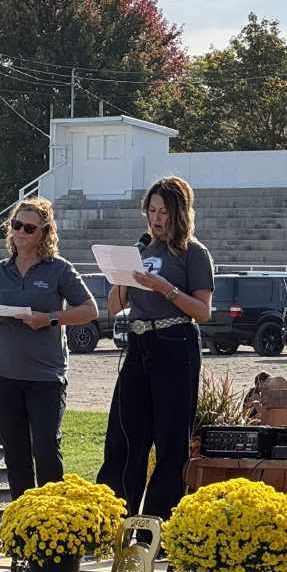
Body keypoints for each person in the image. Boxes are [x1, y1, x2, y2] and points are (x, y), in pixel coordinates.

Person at [96, 175, 214, 522]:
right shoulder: (143, 250)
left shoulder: (193, 253)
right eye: (151, 210)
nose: (156, 218)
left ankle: (156, 525)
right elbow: (113, 307)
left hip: (175, 344)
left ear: (179, 213)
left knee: (169, 440)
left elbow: (203, 312)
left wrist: (166, 289)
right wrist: (120, 276)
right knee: (124, 436)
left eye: (164, 211)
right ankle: (116, 519)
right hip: (138, 344)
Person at [0, 197, 97, 498]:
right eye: (16, 225)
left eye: (29, 227)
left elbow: (90, 309)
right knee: (15, 454)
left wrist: (50, 319)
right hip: (2, 373)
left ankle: (52, 517)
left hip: (45, 376)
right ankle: (21, 522)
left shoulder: (59, 269)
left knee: (46, 448)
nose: (21, 232)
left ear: (44, 233)